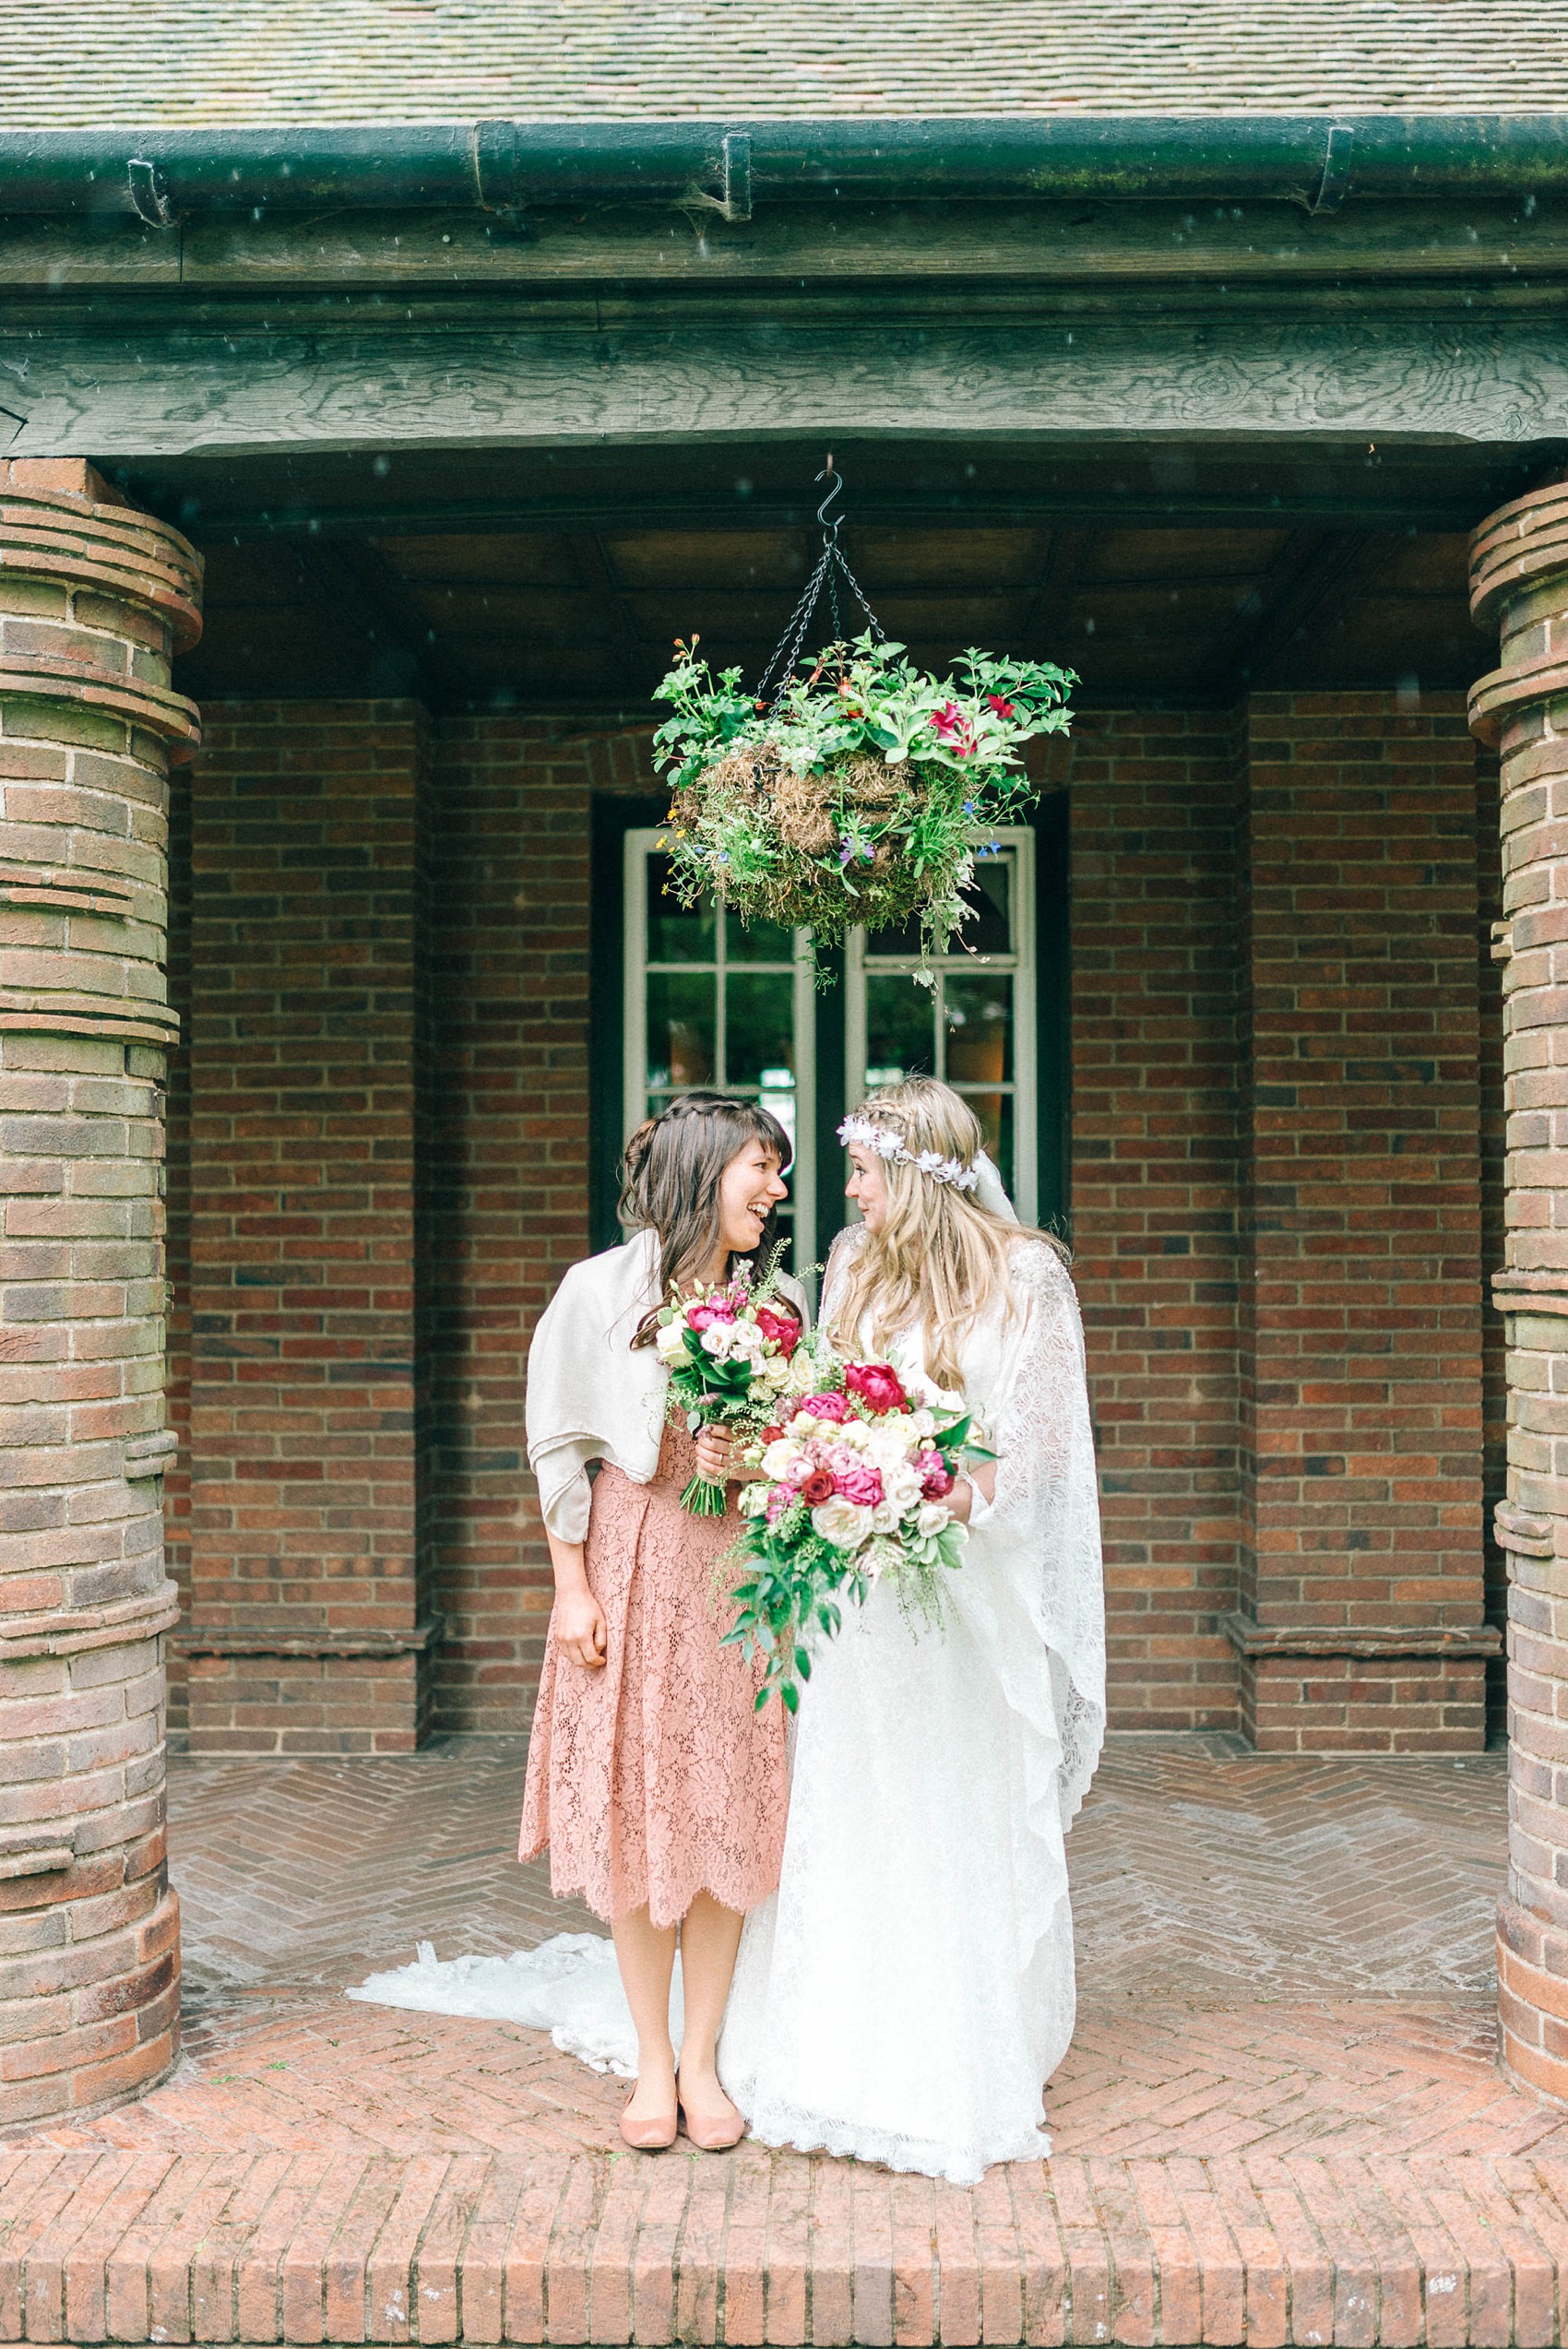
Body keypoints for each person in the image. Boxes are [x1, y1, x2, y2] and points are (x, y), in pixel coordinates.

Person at [718, 1076, 1105, 2183]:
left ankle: (957, 2043)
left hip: (964, 1588)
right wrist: (840, 1474)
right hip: (861, 1589)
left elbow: (1034, 1446)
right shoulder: (850, 1262)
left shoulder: (1026, 1274)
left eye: (861, 1171)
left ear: (923, 1176)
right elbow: (828, 1397)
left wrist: (945, 1495)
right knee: (855, 1794)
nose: (844, 1192)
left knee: (951, 1796)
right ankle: (827, 2040)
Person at [520, 1090, 808, 2153]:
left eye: (777, 1174)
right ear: (702, 1174)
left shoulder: (772, 1308)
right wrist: (572, 1588)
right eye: (759, 1170)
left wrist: (763, 1464)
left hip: (734, 1569)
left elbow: (805, 1449)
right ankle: (650, 2063)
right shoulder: (594, 1292)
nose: (775, 1194)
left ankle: (703, 2061)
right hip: (630, 1556)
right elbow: (557, 1446)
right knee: (642, 1812)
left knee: (725, 1806)